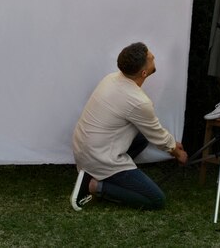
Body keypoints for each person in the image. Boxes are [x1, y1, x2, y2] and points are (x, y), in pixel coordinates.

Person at [70, 42, 188, 211]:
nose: (153, 55)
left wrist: (170, 143)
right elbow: (158, 135)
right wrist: (177, 152)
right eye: (150, 57)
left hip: (83, 150)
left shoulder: (111, 78)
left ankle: (95, 174)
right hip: (98, 157)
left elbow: (152, 132)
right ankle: (94, 185)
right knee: (156, 200)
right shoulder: (138, 102)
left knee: (141, 139)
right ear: (144, 72)